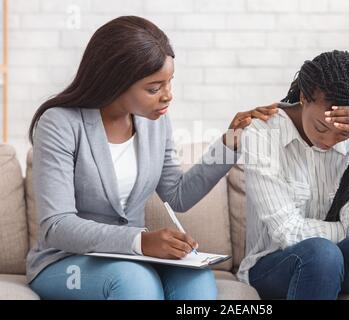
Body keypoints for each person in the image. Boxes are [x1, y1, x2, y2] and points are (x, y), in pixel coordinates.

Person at [26, 16, 277, 300]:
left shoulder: (154, 122)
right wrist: (139, 241)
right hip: (66, 261)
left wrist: (229, 142)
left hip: (132, 259)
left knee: (196, 280)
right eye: (154, 88)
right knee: (134, 282)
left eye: (169, 83)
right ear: (115, 82)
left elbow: (177, 194)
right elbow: (57, 226)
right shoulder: (60, 124)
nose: (167, 96)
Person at [238, 50, 349, 300]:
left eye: (342, 134)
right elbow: (288, 232)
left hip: (341, 265)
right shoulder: (262, 134)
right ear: (303, 98)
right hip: (274, 268)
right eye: (321, 127)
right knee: (323, 254)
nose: (329, 141)